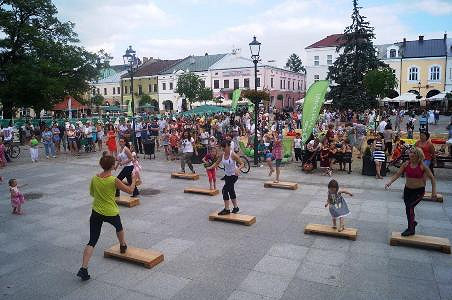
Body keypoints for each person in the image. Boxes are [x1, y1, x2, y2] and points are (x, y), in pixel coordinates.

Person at [77, 153, 139, 281]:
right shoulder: (113, 180)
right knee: (119, 227)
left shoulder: (95, 178)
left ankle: (83, 268)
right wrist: (133, 180)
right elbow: (130, 191)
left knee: (92, 241)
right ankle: (122, 245)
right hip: (110, 211)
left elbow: (92, 194)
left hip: (96, 212)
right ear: (112, 166)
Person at [385, 147, 436, 236]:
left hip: (418, 191)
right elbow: (397, 174)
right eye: (410, 152)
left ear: (418, 156)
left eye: (413, 153)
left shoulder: (422, 166)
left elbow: (432, 178)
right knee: (409, 209)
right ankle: (413, 222)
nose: (411, 154)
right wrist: (390, 182)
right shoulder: (406, 164)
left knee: (409, 207)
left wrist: (433, 192)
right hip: (407, 191)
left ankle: (411, 229)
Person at [208, 140, 244, 215]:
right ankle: (236, 207)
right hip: (227, 176)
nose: (223, 149)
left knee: (224, 190)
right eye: (222, 147)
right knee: (231, 190)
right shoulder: (222, 155)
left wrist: (238, 169)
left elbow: (242, 163)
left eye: (224, 147)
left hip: (234, 175)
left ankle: (226, 209)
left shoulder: (233, 155)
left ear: (228, 146)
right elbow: (217, 163)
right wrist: (210, 167)